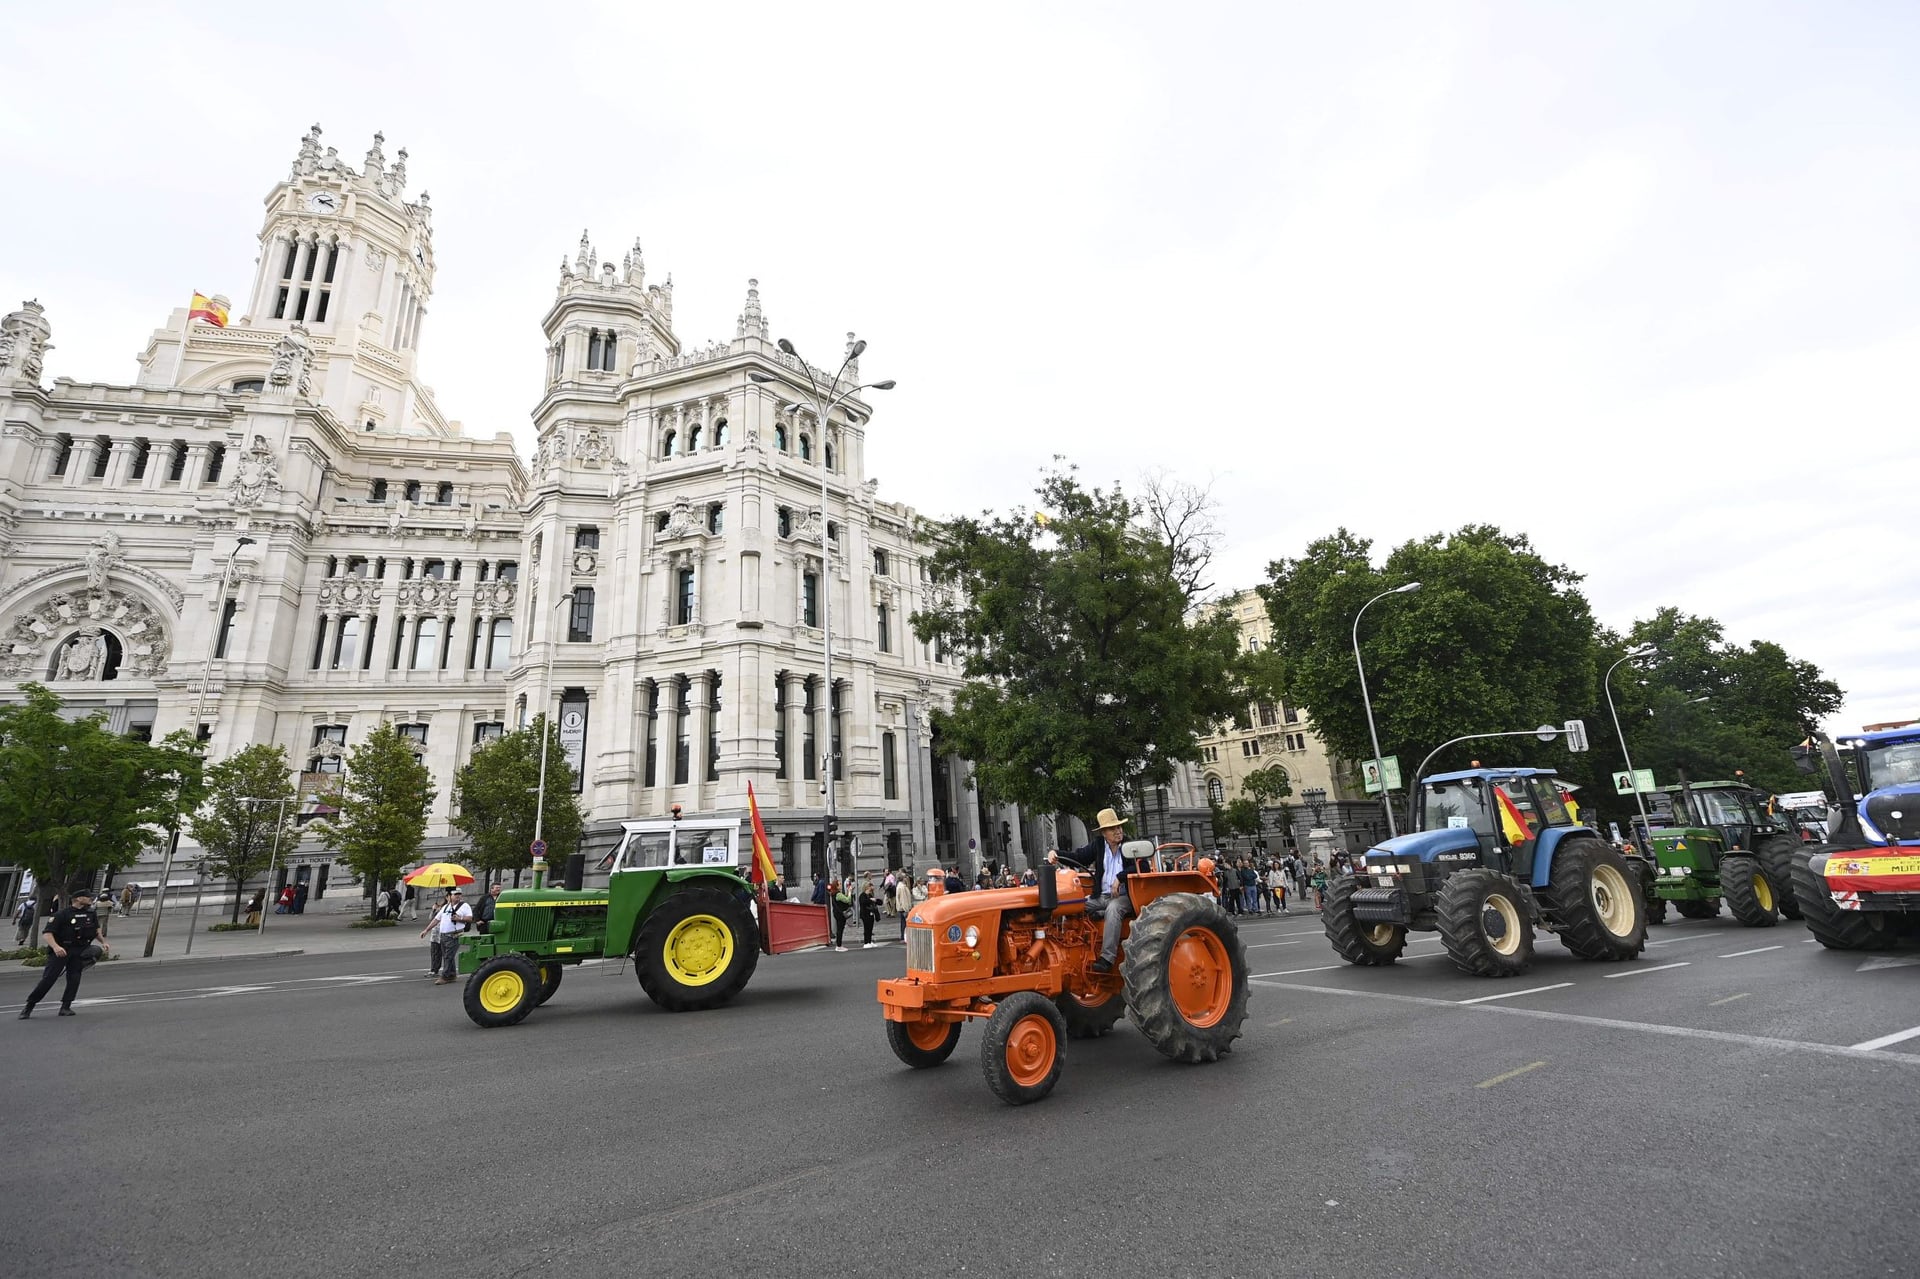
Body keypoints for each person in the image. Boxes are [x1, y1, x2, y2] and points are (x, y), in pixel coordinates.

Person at [1050, 806, 1153, 975]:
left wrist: (1120, 877)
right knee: (1075, 905)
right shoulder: (1098, 845)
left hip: (1126, 896)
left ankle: (1107, 958)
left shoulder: (1129, 845)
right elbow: (1079, 857)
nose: (1118, 831)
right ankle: (1066, 948)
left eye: (1119, 827)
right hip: (1101, 896)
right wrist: (1057, 854)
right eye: (1113, 829)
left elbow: (1143, 867)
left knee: (1114, 908)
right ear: (1104, 832)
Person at [19, 888, 107, 1018]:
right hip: (61, 950)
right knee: (48, 979)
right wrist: (56, 947)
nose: (91, 899)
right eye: (87, 897)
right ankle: (29, 1007)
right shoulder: (61, 914)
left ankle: (66, 1007)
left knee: (74, 979)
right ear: (78, 899)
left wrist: (103, 942)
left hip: (79, 950)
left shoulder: (90, 913)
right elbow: (48, 934)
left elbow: (96, 930)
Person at [420, 889, 473, 984]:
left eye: (459, 894)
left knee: (448, 956)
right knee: (447, 956)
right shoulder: (445, 907)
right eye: (455, 894)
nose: (458, 896)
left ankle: (445, 976)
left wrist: (460, 918)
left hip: (454, 935)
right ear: (450, 896)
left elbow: (470, 918)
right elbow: (436, 919)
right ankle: (451, 974)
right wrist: (426, 930)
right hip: (444, 935)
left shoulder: (464, 906)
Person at [829, 880, 851, 951]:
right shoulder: (838, 894)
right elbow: (847, 900)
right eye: (840, 884)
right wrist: (850, 892)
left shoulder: (833, 894)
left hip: (837, 913)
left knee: (839, 929)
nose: (841, 885)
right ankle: (839, 945)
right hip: (841, 914)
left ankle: (839, 945)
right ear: (837, 886)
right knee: (840, 929)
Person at [858, 882, 882, 948]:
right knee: (866, 928)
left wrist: (875, 900)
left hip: (871, 914)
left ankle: (869, 941)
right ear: (866, 887)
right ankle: (866, 942)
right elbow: (863, 902)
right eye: (869, 887)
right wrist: (870, 900)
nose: (871, 888)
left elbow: (879, 902)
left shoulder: (870, 895)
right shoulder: (862, 895)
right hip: (865, 914)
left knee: (870, 928)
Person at [893, 873, 913, 937]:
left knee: (903, 923)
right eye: (905, 877)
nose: (906, 878)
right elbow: (904, 899)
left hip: (901, 908)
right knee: (905, 923)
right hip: (904, 908)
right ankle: (904, 936)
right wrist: (906, 910)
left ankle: (903, 936)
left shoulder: (901, 886)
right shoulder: (902, 887)